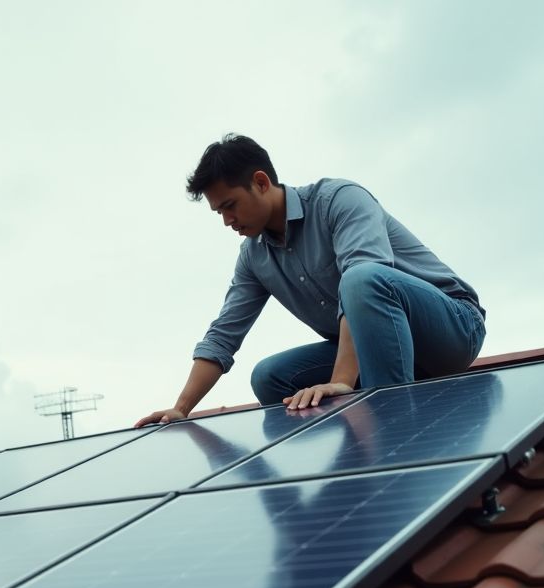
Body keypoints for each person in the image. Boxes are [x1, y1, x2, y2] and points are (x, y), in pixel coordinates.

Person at [135, 134, 486, 428]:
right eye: (219, 213)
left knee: (360, 279)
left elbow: (364, 280)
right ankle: (353, 445)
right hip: (373, 350)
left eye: (230, 205)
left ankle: (393, 434)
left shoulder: (339, 200)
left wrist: (341, 380)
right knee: (269, 376)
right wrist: (181, 408)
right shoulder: (254, 256)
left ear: (260, 182)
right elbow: (223, 335)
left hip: (450, 332)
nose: (227, 220)